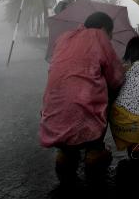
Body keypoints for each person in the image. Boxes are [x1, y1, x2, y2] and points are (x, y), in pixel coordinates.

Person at [39, 11, 125, 175]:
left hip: (51, 117)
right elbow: (115, 78)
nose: (111, 37)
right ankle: (95, 149)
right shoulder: (99, 36)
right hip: (83, 117)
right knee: (111, 89)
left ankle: (65, 153)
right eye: (110, 33)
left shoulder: (64, 38)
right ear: (103, 28)